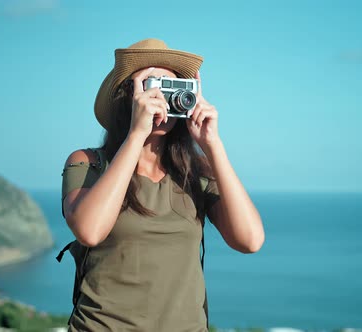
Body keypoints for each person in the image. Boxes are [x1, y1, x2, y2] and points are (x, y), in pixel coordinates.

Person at [60, 38, 264, 331]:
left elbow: (250, 240)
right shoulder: (89, 163)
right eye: (150, 87)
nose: (161, 99)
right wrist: (136, 135)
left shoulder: (196, 173)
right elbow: (89, 231)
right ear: (126, 97)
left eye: (171, 88)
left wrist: (212, 145)